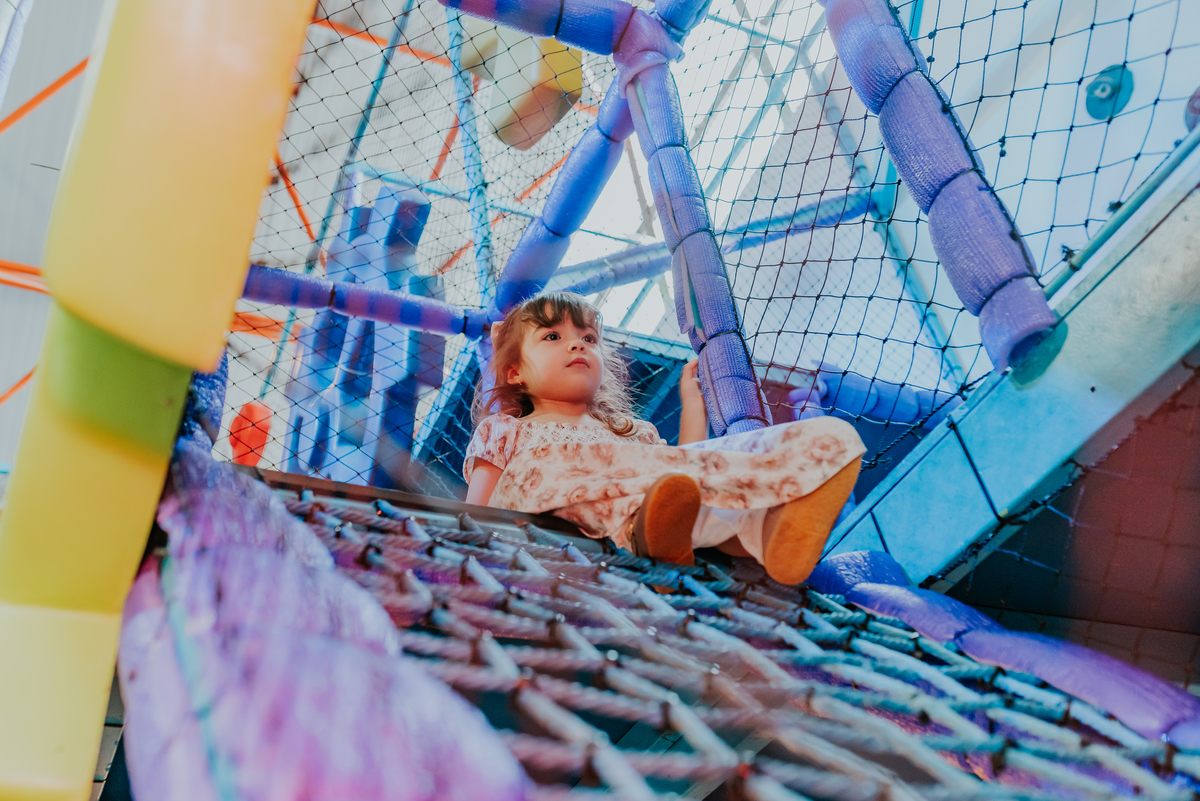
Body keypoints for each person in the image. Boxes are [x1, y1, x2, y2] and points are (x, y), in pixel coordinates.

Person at [463, 292, 864, 585]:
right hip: (557, 535)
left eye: (588, 339)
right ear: (515, 373)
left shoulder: (629, 432)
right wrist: (472, 557)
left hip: (663, 508)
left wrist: (694, 406)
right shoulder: (508, 430)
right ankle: (652, 534)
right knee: (544, 466)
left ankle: (770, 533)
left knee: (826, 437)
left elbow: (688, 468)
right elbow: (477, 510)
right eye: (552, 337)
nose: (576, 344)